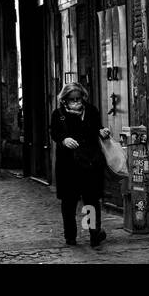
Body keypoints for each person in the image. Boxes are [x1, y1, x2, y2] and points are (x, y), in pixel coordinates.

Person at [50, 82, 110, 248]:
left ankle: (93, 234)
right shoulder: (59, 114)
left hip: (90, 163)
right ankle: (71, 236)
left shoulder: (91, 111)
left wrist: (102, 131)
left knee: (90, 201)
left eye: (78, 98)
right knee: (69, 203)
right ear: (64, 100)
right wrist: (64, 140)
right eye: (72, 99)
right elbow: (54, 133)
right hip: (68, 165)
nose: (76, 101)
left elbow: (97, 128)